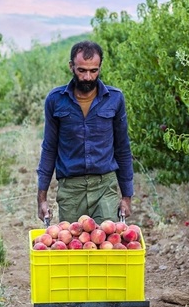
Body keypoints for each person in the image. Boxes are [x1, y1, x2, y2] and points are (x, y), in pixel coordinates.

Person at [36, 40, 134, 225]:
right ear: (71, 66)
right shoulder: (56, 100)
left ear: (100, 67)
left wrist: (127, 197)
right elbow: (49, 148)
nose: (88, 77)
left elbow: (123, 148)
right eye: (82, 70)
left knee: (106, 246)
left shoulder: (115, 99)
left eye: (93, 70)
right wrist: (41, 198)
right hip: (71, 190)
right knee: (73, 246)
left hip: (105, 187)